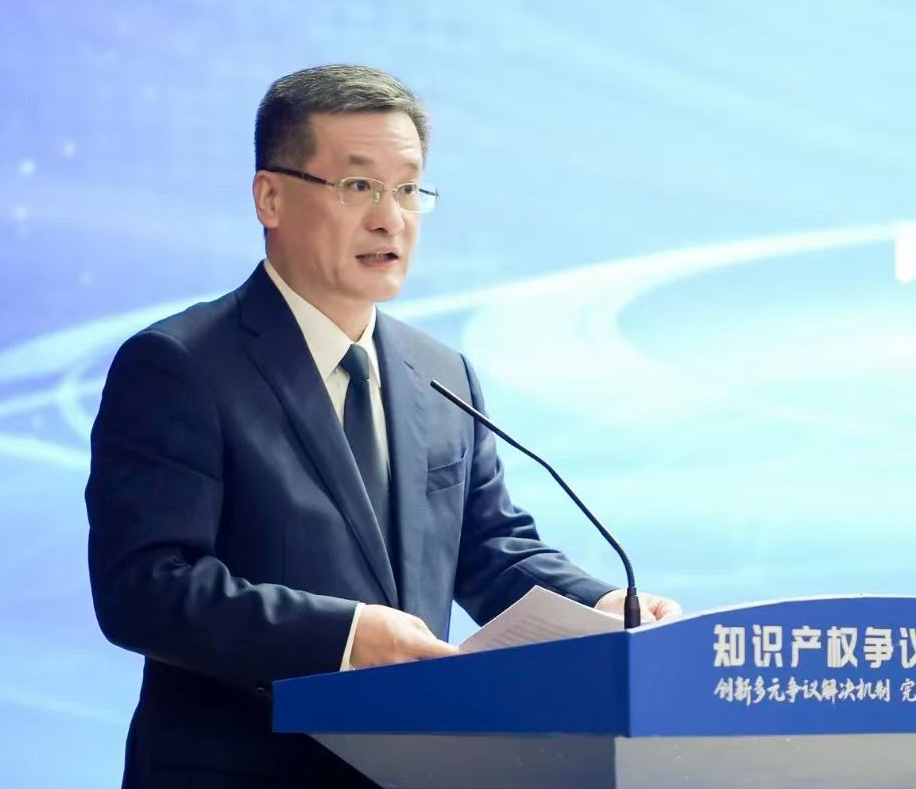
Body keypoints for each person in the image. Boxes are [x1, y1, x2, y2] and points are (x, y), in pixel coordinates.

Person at [86, 64, 681, 789]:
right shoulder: (181, 365)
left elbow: (489, 549)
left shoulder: (440, 374)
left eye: (407, 189)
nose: (389, 218)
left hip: (410, 771)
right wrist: (343, 637)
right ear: (270, 197)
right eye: (358, 185)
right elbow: (145, 588)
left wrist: (601, 606)